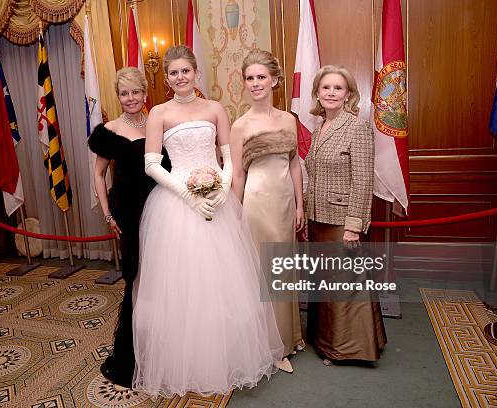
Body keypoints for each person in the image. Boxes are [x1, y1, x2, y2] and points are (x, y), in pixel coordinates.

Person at [133, 45, 284, 397]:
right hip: (175, 204)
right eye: (173, 73)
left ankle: (228, 355)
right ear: (167, 78)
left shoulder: (215, 108)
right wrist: (187, 194)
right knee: (183, 285)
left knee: (225, 282)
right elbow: (151, 164)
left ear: (196, 72)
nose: (180, 77)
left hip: (217, 201)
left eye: (186, 70)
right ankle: (188, 359)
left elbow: (229, 154)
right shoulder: (158, 113)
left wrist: (221, 188)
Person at [88, 67, 169, 387]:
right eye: (124, 93)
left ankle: (167, 344)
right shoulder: (108, 131)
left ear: (145, 93)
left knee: (163, 274)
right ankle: (137, 350)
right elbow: (98, 175)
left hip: (161, 207)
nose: (131, 98)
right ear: (117, 96)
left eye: (136, 92)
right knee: (136, 275)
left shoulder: (158, 122)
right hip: (127, 211)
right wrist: (108, 215)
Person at [303, 65, 386, 364]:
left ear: (348, 94)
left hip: (341, 221)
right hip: (318, 217)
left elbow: (363, 179)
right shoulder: (318, 128)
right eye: (326, 88)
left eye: (338, 88)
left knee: (344, 283)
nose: (331, 93)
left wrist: (354, 226)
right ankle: (326, 339)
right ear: (317, 93)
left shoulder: (357, 127)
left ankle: (344, 348)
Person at [230, 49, 305, 373]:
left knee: (285, 270)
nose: (256, 83)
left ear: (274, 79)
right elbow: (237, 174)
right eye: (250, 78)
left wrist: (300, 204)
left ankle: (288, 338)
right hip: (258, 204)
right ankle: (271, 347)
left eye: (261, 77)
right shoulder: (240, 125)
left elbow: (295, 164)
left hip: (286, 203)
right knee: (264, 273)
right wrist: (235, 212)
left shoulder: (289, 119)